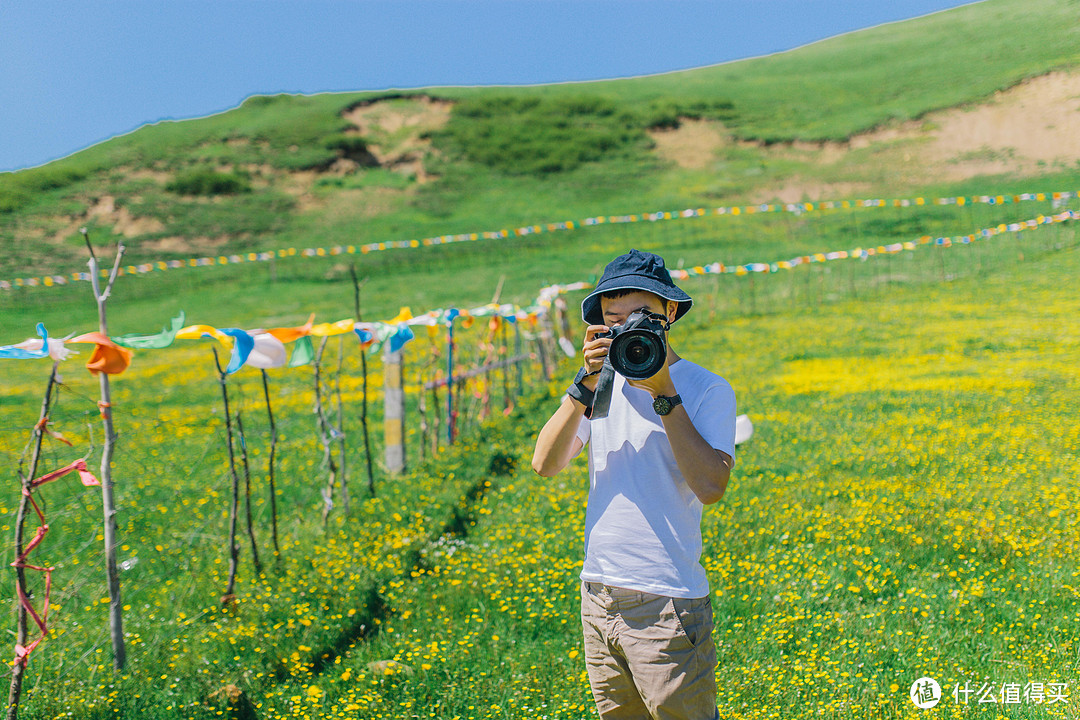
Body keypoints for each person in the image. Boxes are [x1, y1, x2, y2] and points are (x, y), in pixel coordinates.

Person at [532, 248, 736, 720]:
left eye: (638, 316)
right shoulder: (599, 387)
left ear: (669, 313)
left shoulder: (706, 388)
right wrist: (584, 382)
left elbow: (710, 485)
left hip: (666, 599)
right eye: (613, 319)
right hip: (598, 593)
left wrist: (664, 392)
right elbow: (545, 463)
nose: (626, 329)